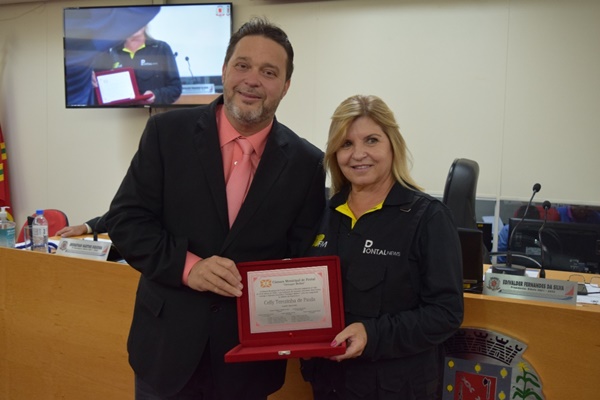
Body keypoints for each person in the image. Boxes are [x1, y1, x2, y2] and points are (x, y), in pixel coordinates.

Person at [104, 18, 326, 399]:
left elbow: (300, 258)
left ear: (285, 86)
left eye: (269, 71)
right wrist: (190, 268)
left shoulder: (307, 164)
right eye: (242, 65)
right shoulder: (165, 134)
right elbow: (126, 221)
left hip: (248, 363)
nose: (252, 79)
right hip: (166, 353)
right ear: (224, 71)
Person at [301, 95, 464, 400]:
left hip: (396, 388)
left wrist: (372, 334)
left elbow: (446, 313)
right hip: (329, 385)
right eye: (346, 144)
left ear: (392, 145)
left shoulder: (428, 217)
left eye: (371, 140)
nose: (358, 154)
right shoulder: (322, 215)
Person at [93, 24, 182, 105]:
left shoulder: (161, 48)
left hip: (152, 113)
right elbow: (98, 90)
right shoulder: (109, 52)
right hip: (119, 115)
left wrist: (156, 95)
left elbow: (175, 88)